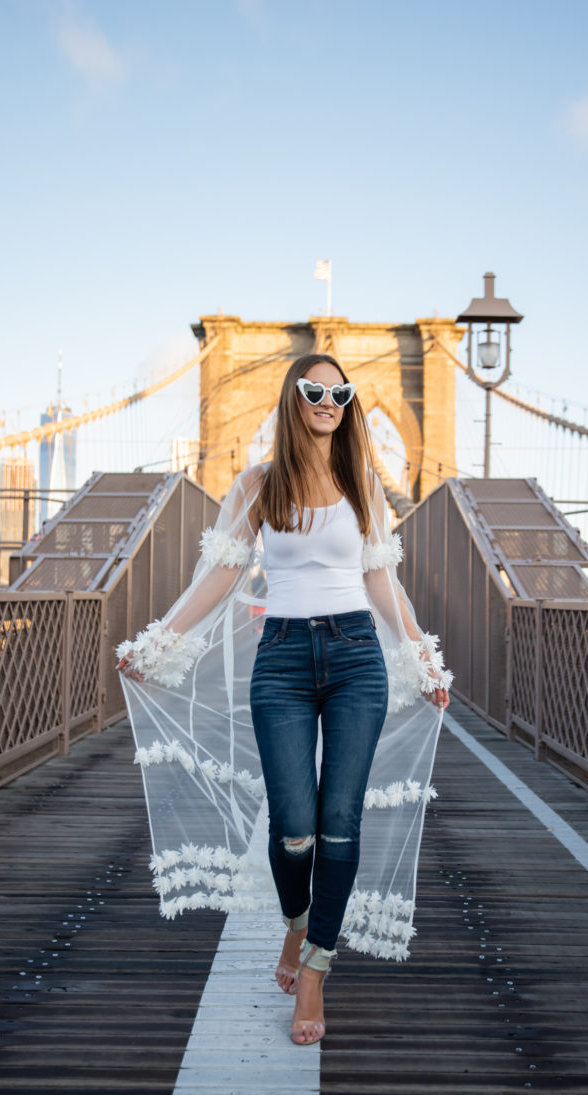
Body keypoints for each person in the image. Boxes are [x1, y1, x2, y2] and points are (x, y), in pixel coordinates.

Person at [116, 353, 452, 1046]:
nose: (328, 401)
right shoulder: (256, 485)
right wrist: (156, 644)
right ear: (292, 398)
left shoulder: (364, 484)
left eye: (340, 392)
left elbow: (383, 585)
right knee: (294, 825)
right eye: (314, 390)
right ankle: (297, 925)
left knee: (339, 823)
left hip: (357, 656)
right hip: (284, 659)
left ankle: (314, 971)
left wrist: (421, 657)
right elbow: (218, 576)